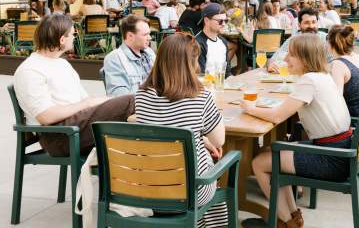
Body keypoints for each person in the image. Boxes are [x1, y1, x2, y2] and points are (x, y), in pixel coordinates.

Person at [246, 33, 351, 228]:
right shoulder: (322, 76)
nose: (285, 59)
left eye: (291, 55)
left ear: (305, 58)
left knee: (259, 163)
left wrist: (250, 108)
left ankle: (285, 222)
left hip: (331, 158)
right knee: (271, 152)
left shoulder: (309, 80)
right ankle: (292, 218)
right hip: (342, 150)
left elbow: (277, 116)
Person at [135, 32, 227, 227]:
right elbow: (219, 141)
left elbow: (165, 128)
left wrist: (199, 139)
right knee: (216, 167)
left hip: (147, 187)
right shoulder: (201, 96)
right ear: (190, 64)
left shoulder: (141, 95)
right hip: (190, 192)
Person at [13, 14, 134, 157]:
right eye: (72, 34)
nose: (75, 37)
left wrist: (104, 102)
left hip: (77, 125)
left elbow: (84, 102)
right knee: (131, 101)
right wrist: (88, 103)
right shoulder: (30, 70)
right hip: (59, 135)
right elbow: (46, 116)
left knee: (135, 118)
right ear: (62, 39)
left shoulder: (62, 64)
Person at [103, 14, 156, 96]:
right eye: (145, 35)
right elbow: (118, 97)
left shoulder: (149, 52)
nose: (150, 38)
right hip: (137, 107)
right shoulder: (115, 59)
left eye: (149, 34)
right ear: (130, 36)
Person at [268, 7, 330, 73]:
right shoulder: (294, 39)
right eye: (307, 23)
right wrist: (271, 64)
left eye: (313, 22)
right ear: (299, 25)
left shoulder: (325, 39)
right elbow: (274, 58)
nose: (311, 26)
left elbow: (334, 61)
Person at [195, 3, 231, 77]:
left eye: (226, 21)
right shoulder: (197, 44)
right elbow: (200, 76)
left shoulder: (223, 41)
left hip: (222, 85)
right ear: (207, 20)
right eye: (220, 21)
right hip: (206, 87)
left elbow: (227, 72)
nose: (224, 24)